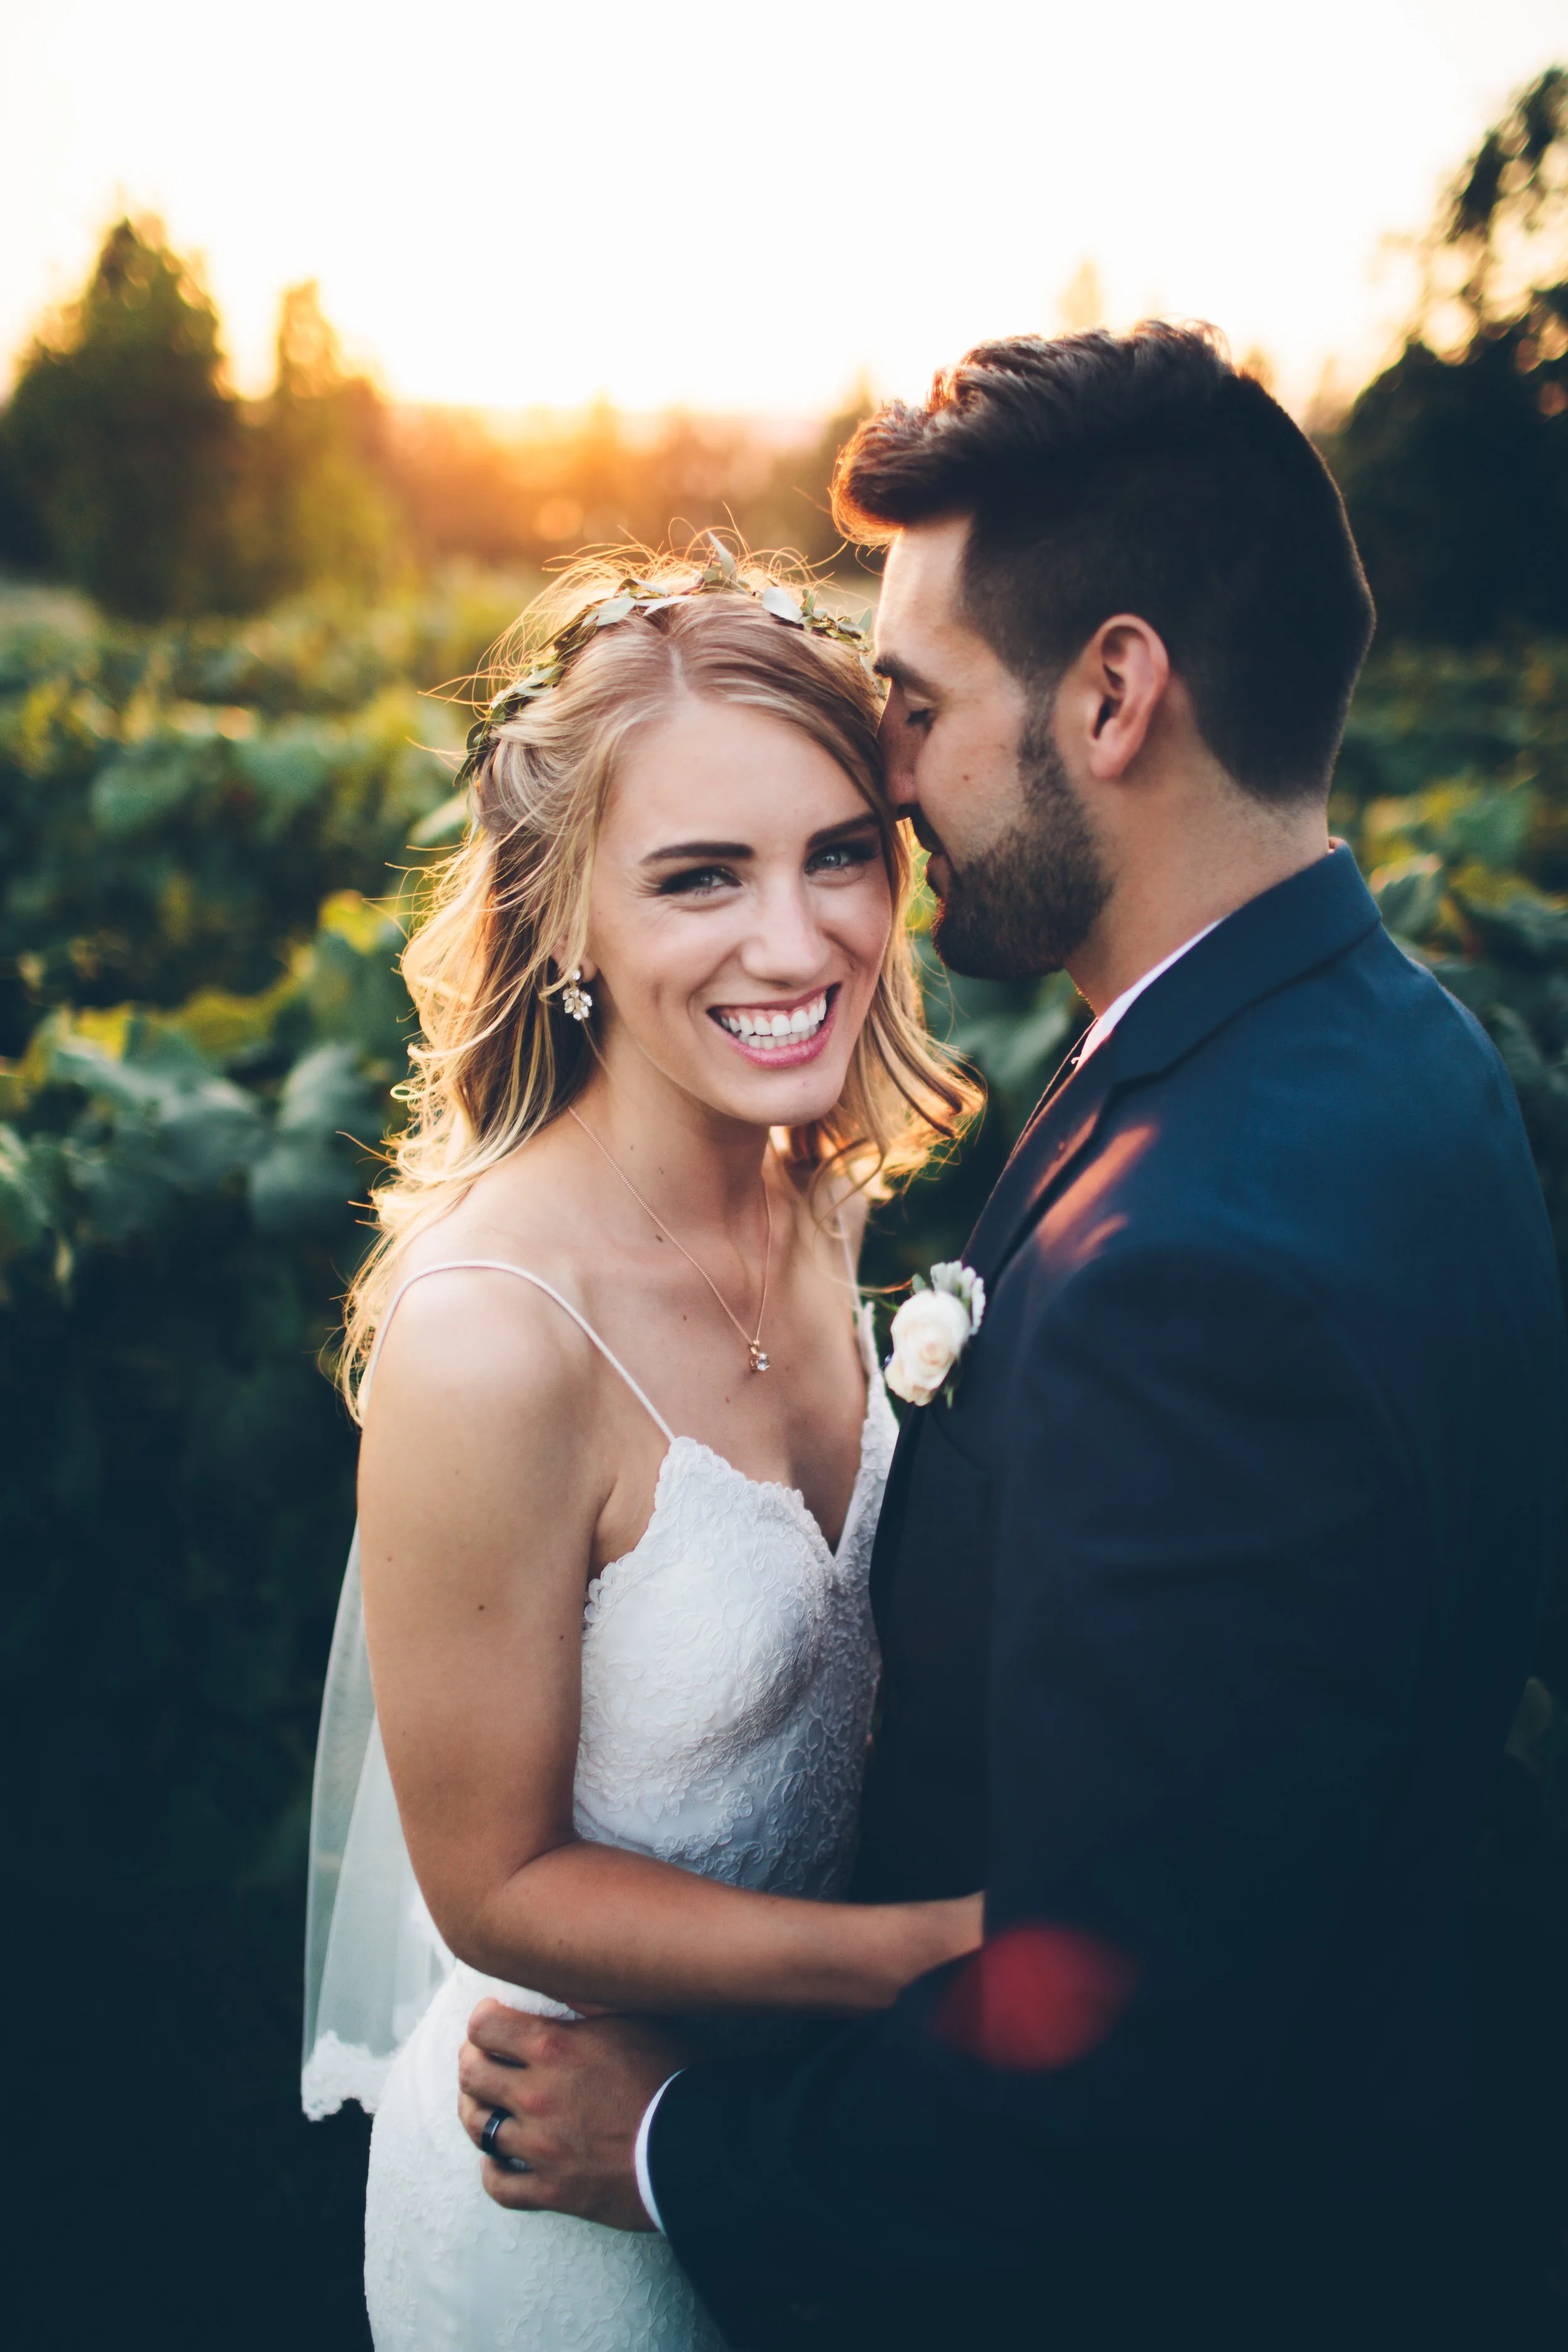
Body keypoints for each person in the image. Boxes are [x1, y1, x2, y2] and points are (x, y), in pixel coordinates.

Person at [456, 328, 1568, 2351]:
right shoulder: (1398, 1053)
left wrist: (672, 2146)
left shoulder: (1204, 1265)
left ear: (1115, 694)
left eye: (913, 703)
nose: (881, 779)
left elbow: (1121, 2071)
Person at [299, 544, 983, 2351]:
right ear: (564, 920)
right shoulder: (495, 1334)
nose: (799, 936)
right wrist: (923, 1958)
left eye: (840, 850)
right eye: (699, 877)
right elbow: (493, 1880)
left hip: (793, 2152)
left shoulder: (822, 1207)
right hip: (567, 2202)